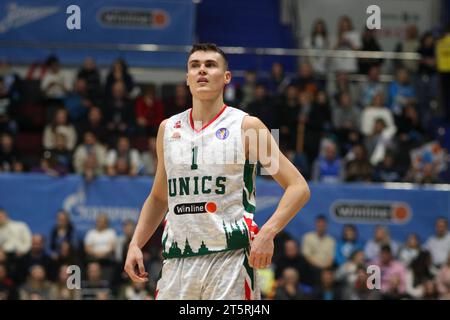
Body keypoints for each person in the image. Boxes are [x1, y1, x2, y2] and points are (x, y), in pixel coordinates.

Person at [124, 43, 310, 300]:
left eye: (210, 65)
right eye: (194, 66)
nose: (201, 70)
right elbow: (159, 197)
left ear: (226, 78)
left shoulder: (247, 127)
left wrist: (267, 233)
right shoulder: (167, 129)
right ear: (187, 78)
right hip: (177, 263)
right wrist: (136, 244)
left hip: (229, 261)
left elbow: (298, 187)